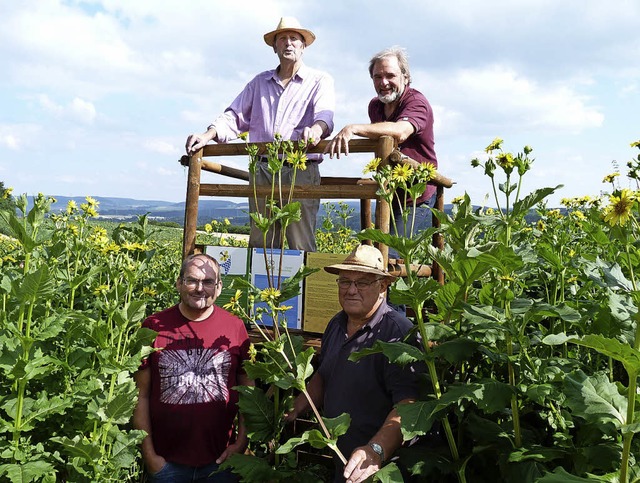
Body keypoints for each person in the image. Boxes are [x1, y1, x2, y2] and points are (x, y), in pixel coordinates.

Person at [185, 17, 335, 252]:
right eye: (282, 38)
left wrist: (316, 129)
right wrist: (207, 135)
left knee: (301, 241)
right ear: (274, 47)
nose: (288, 43)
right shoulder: (259, 82)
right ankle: (260, 290)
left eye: (294, 38)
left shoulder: (319, 80)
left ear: (303, 46)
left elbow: (325, 116)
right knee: (262, 242)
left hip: (300, 169)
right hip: (263, 169)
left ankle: (301, 289)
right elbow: (235, 116)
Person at [285, 245, 419, 483]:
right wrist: (294, 409)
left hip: (380, 468)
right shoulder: (336, 323)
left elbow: (408, 405)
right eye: (345, 281)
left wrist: (376, 450)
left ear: (383, 287)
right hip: (345, 462)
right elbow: (325, 376)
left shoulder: (398, 334)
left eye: (363, 283)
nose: (351, 290)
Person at [133, 254, 252, 482]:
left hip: (221, 462)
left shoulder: (235, 327)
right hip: (166, 464)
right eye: (192, 280)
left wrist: (241, 444)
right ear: (178, 283)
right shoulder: (152, 326)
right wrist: (150, 456)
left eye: (208, 282)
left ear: (218, 288)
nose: (200, 288)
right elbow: (140, 395)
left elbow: (249, 390)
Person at [326, 46, 437, 242]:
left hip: (416, 195)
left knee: (390, 252)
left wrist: (353, 128)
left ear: (405, 77)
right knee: (375, 250)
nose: (384, 82)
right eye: (377, 77)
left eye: (390, 75)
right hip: (389, 192)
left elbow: (400, 131)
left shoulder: (417, 102)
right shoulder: (375, 106)